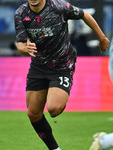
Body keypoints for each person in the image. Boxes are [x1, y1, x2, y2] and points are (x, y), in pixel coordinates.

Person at [14, 0, 110, 149]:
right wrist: (25, 48)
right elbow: (20, 45)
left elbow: (85, 15)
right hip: (38, 66)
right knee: (33, 113)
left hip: (62, 64)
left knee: (54, 108)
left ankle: (58, 101)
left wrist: (102, 37)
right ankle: (55, 148)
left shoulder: (59, 7)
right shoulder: (21, 13)